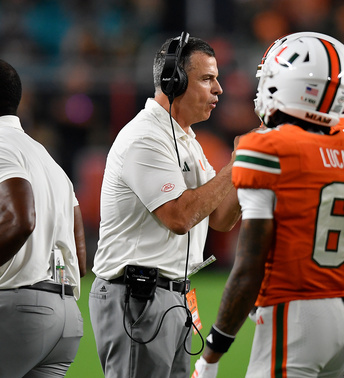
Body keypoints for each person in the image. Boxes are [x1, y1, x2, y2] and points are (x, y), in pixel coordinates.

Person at [192, 32, 344, 378]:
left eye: (270, 79)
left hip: (298, 309)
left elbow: (248, 265)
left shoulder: (266, 146)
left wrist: (212, 354)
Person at [88, 33, 242, 378]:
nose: (218, 90)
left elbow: (220, 219)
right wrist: (234, 168)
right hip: (137, 297)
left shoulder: (185, 138)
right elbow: (180, 216)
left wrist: (248, 170)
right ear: (175, 81)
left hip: (171, 296)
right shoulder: (146, 137)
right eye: (207, 79)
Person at [0, 59, 87, 377]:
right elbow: (80, 257)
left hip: (18, 310)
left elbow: (21, 221)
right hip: (64, 317)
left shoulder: (1, 146)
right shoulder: (47, 157)